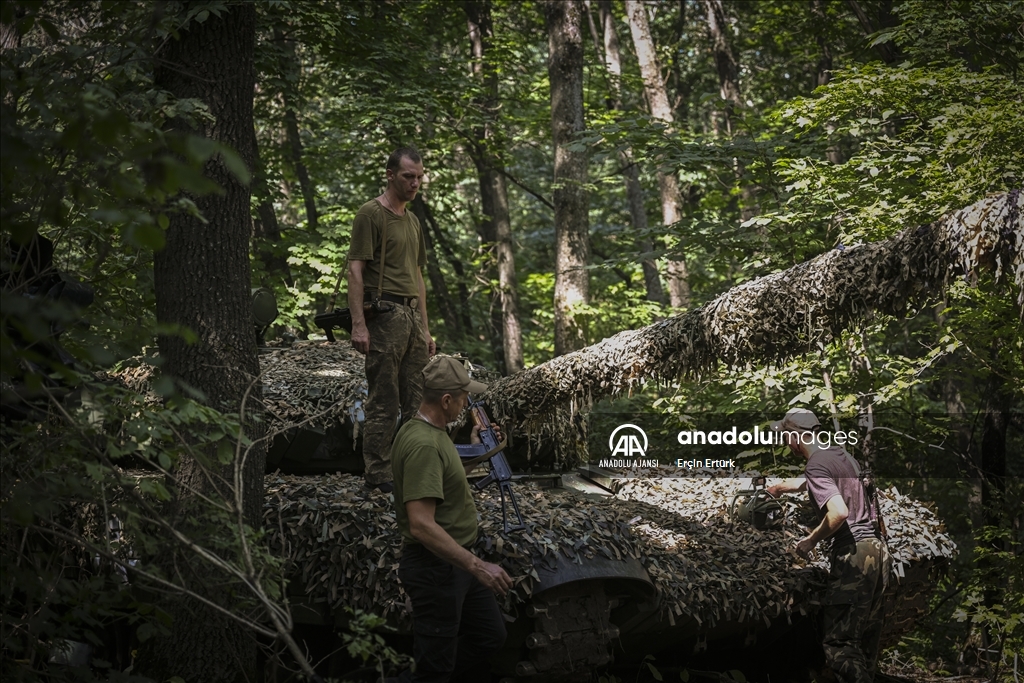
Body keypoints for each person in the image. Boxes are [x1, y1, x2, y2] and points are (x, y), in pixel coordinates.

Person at [389, 356, 512, 683]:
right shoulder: (423, 444)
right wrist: (479, 566)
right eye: (462, 397)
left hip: (456, 563)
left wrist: (476, 447)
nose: (465, 402)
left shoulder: (432, 429)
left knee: (489, 637)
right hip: (436, 569)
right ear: (446, 400)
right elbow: (421, 524)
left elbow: (444, 476)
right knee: (434, 669)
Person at [766, 408, 891, 683]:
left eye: (785, 436)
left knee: (839, 645)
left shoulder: (816, 464)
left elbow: (839, 512)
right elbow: (821, 482)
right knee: (865, 643)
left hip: (854, 555)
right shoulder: (840, 455)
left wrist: (810, 540)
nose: (786, 444)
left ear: (794, 436)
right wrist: (780, 488)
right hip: (878, 551)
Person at [347, 147, 436, 492]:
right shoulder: (371, 214)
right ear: (390, 175)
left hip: (411, 315)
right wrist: (359, 324)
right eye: (408, 176)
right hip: (384, 314)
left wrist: (426, 328)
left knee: (417, 399)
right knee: (383, 398)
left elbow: (418, 277)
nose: (415, 183)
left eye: (419, 177)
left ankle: (414, 470)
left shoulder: (412, 221)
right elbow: (356, 270)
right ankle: (379, 474)